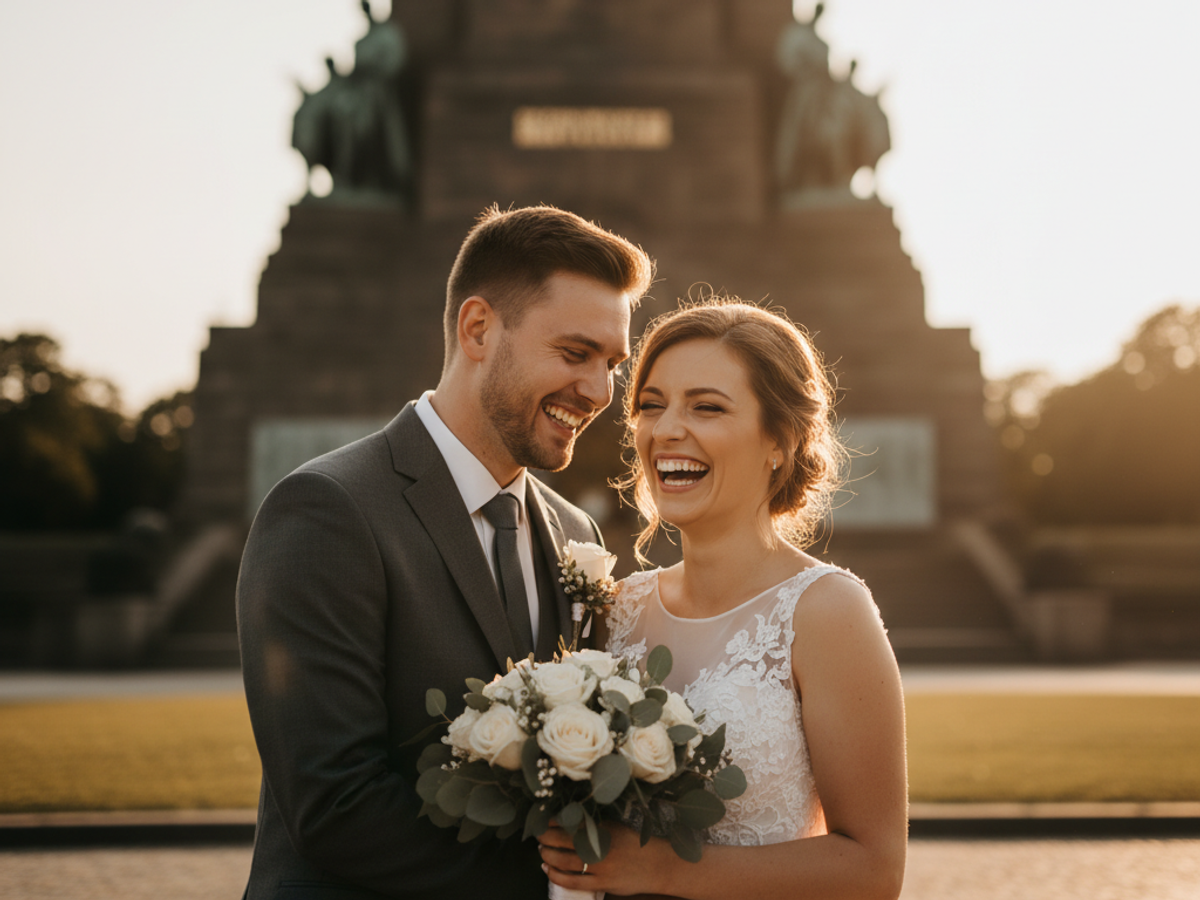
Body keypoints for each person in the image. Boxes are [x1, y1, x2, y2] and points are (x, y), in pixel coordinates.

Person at [237, 205, 654, 900]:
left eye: (613, 364)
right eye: (575, 354)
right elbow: (335, 807)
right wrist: (561, 882)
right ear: (480, 329)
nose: (599, 391)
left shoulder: (576, 533)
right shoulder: (326, 511)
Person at [539, 300, 908, 899]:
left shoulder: (827, 612)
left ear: (779, 443)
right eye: (651, 406)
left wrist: (662, 870)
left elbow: (874, 870)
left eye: (707, 407)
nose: (666, 430)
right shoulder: (614, 608)